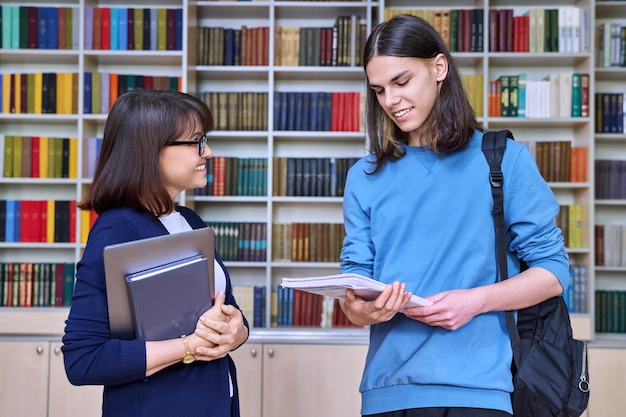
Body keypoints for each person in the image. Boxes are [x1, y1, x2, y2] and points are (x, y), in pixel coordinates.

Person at [339, 14, 570, 417]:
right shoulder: (364, 176)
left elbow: (553, 273)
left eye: (401, 81)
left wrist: (475, 301)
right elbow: (355, 285)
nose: (390, 100)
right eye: (378, 90)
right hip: (389, 391)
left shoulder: (501, 160)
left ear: (439, 67)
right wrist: (360, 310)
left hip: (481, 391)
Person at [62, 89, 249, 417]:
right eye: (196, 142)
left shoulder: (190, 221)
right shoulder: (117, 228)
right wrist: (190, 346)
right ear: (151, 151)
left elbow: (225, 310)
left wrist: (238, 330)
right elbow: (83, 358)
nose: (208, 152)